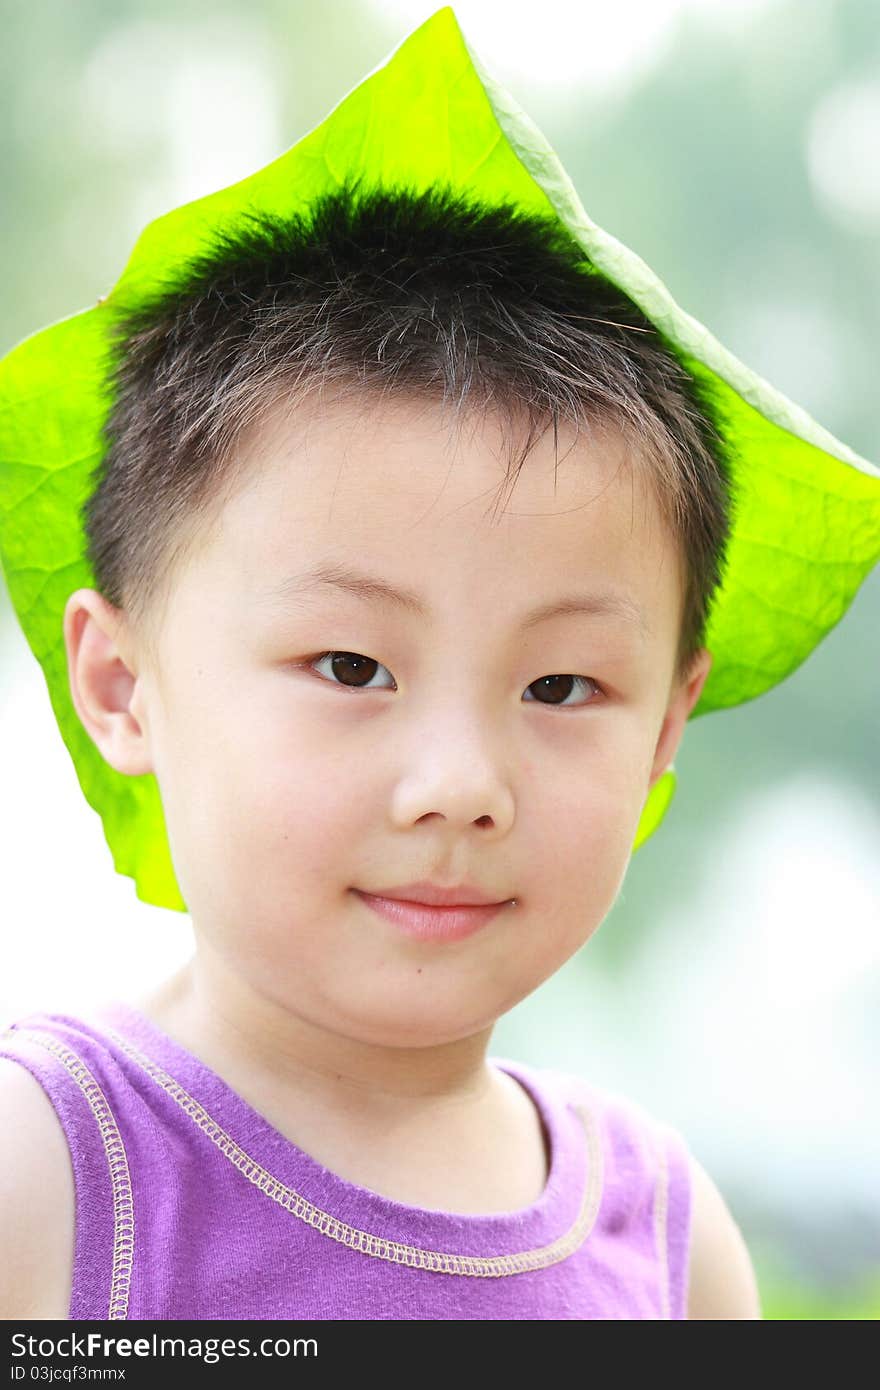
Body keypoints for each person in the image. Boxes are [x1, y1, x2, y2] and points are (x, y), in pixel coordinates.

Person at [0, 7, 876, 1323]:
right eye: (351, 663)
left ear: (665, 726)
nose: (461, 784)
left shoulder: (671, 1242)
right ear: (125, 684)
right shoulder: (57, 1173)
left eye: (561, 686)